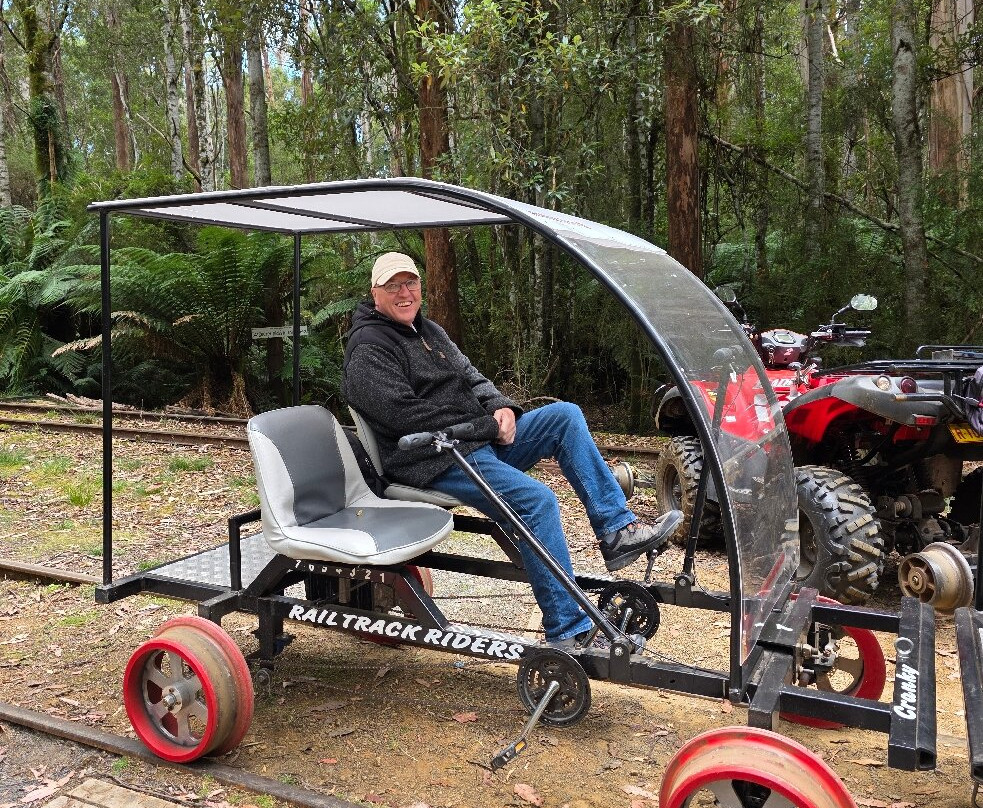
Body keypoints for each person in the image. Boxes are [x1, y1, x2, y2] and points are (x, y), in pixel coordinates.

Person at [342, 251, 681, 649]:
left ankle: (617, 531)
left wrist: (502, 407)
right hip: (430, 459)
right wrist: (487, 425)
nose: (404, 292)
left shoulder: (429, 331)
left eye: (410, 283)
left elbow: (473, 378)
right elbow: (404, 416)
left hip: (472, 442)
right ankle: (567, 630)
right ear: (374, 293)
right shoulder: (368, 347)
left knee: (564, 416)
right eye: (392, 285)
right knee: (537, 501)